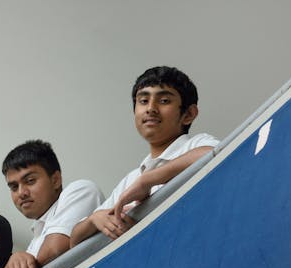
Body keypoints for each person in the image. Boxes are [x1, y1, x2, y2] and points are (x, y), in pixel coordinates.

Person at [70, 66, 220, 245]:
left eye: (164, 101)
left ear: (188, 114)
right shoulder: (131, 179)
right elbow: (74, 241)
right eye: (143, 101)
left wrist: (147, 181)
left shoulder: (196, 144)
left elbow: (216, 155)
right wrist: (95, 218)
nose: (150, 108)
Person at [0, 139, 103, 268]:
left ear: (55, 180)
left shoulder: (81, 190)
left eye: (30, 181)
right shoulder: (35, 240)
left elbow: (55, 251)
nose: (21, 193)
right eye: (14, 187)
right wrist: (14, 261)